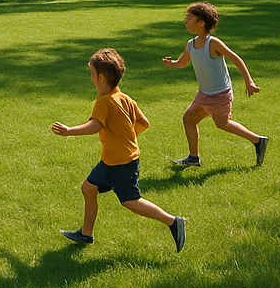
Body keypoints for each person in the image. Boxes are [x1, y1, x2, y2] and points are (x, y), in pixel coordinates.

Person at [52, 48, 186, 252]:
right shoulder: (124, 98)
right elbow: (144, 123)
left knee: (131, 201)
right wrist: (125, 138)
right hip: (112, 161)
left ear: (101, 77)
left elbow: (95, 126)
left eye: (91, 74)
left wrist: (69, 131)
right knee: (88, 188)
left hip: (121, 163)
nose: (91, 78)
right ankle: (86, 234)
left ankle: (173, 222)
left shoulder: (104, 101)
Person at [162, 1, 268, 167]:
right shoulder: (191, 44)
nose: (185, 21)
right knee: (188, 119)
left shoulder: (213, 43)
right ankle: (193, 157)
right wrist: (172, 64)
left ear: (201, 22)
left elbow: (236, 59)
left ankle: (258, 140)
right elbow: (182, 63)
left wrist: (249, 82)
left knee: (222, 124)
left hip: (220, 94)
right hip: (203, 94)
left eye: (189, 18)